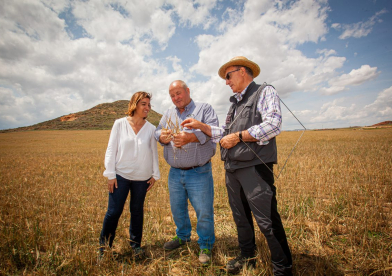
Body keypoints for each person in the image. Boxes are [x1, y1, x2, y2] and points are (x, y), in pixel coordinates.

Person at [181, 56, 293, 275]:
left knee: (267, 220)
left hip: (255, 169)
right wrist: (202, 126)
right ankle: (247, 255)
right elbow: (225, 133)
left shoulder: (264, 91)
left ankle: (283, 266)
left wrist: (239, 137)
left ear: (243, 71)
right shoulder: (234, 104)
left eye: (228, 76)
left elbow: (273, 124)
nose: (226, 82)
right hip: (232, 169)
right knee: (240, 216)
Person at [154, 80, 219, 265]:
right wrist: (162, 137)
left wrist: (190, 137)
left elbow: (214, 132)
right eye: (172, 95)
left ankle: (206, 244)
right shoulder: (168, 113)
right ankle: (182, 236)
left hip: (199, 171)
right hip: (175, 172)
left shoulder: (204, 109)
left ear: (187, 91)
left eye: (178, 93)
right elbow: (157, 132)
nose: (176, 98)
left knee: (203, 211)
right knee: (177, 209)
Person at [99, 91, 160, 260]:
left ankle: (136, 246)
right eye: (144, 104)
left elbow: (154, 152)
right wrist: (110, 174)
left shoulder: (151, 129)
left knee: (137, 212)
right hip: (121, 176)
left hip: (142, 178)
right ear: (134, 105)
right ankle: (104, 248)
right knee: (113, 212)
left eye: (149, 105)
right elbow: (111, 149)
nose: (147, 108)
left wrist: (155, 174)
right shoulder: (119, 124)